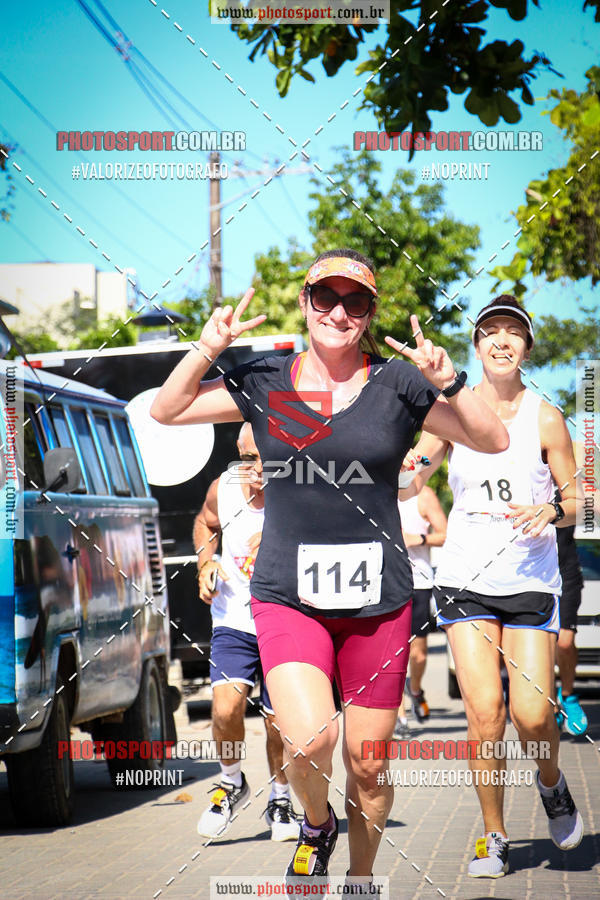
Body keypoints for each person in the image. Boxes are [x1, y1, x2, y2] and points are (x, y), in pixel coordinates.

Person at [150, 249, 508, 888]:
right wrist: (207, 348)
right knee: (309, 741)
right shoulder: (267, 380)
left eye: (355, 301)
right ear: (305, 302)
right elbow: (166, 410)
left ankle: (361, 879)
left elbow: (492, 439)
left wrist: (450, 380)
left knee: (367, 767)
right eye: (326, 297)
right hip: (288, 594)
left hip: (380, 602)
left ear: (369, 313)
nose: (339, 313)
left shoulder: (398, 384)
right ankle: (317, 824)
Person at [409, 295, 584, 878]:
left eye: (513, 332)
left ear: (527, 349)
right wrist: (394, 469)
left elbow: (583, 501)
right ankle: (494, 836)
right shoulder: (452, 411)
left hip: (530, 580)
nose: (501, 340)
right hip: (464, 578)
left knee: (532, 717)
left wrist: (552, 509)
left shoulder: (546, 416)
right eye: (490, 332)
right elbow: (414, 475)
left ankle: (551, 783)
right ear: (476, 345)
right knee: (484, 713)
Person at [194, 422, 300, 842]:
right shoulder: (223, 488)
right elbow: (205, 523)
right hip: (233, 620)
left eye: (266, 458)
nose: (256, 468)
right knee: (225, 710)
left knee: (278, 723)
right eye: (248, 457)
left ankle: (280, 799)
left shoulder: (301, 492)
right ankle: (231, 782)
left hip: (287, 620)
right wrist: (206, 562)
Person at [395, 484, 447, 736]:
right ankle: (400, 717)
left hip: (419, 583)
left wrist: (419, 539)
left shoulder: (424, 495)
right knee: (394, 654)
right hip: (387, 583)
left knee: (419, 655)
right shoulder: (378, 485)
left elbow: (446, 534)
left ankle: (414, 690)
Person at [555, 521, 588, 736]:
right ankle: (549, 701)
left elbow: (590, 506)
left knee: (565, 642)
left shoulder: (568, 492)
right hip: (531, 574)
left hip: (566, 572)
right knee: (542, 644)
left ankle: (568, 695)